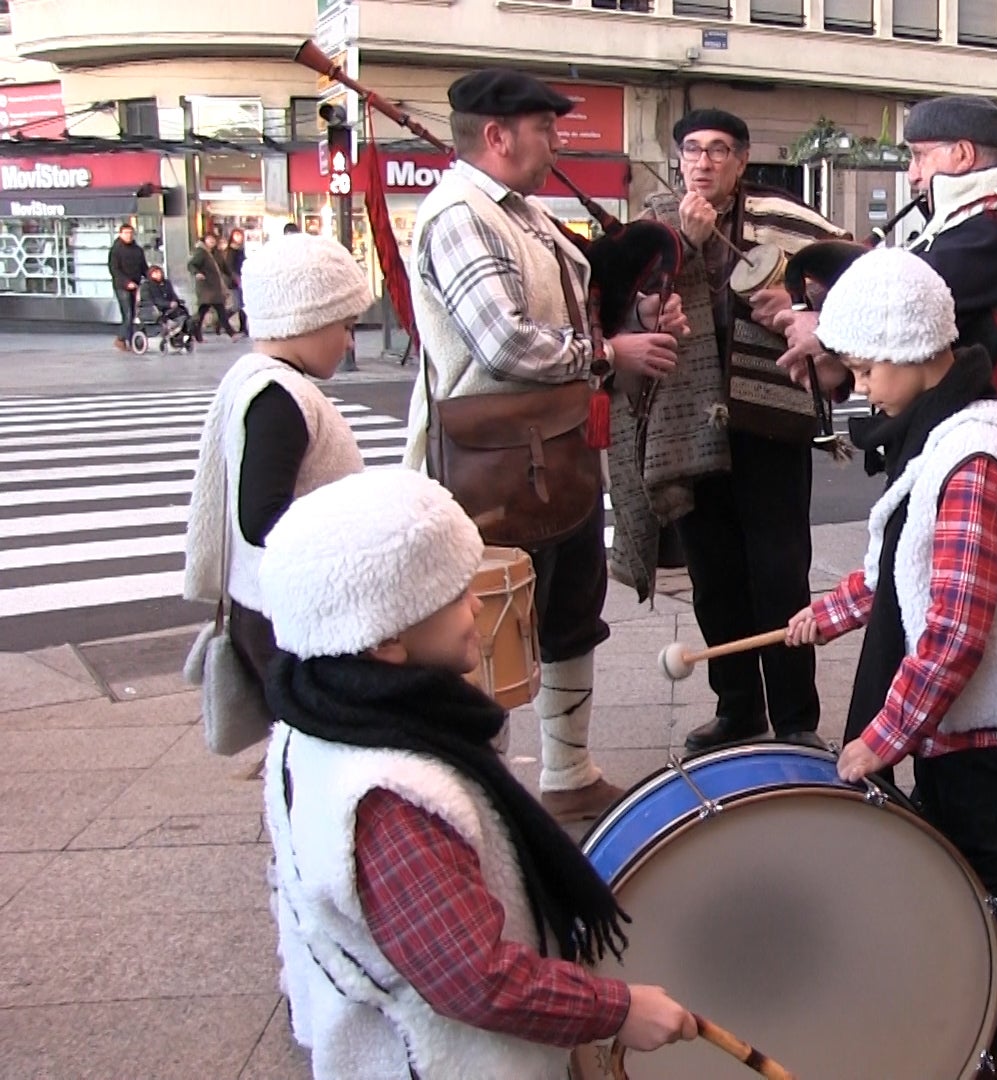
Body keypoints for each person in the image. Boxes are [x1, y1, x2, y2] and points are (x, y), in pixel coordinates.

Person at [256, 469, 698, 1078]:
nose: (477, 605)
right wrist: (619, 1010)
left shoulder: (316, 720)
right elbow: (475, 978)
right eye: (455, 594)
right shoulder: (389, 794)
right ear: (385, 640)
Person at [786, 249, 997, 1080]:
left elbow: (954, 629)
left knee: (979, 867)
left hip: (968, 723)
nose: (861, 386)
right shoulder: (940, 434)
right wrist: (829, 615)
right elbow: (907, 561)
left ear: (914, 352)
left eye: (867, 368)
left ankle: (990, 1026)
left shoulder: (973, 458)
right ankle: (956, 995)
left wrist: (885, 736)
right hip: (945, 718)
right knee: (945, 859)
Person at [404, 68, 679, 821]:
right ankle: (478, 795)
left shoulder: (517, 213)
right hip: (492, 463)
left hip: (549, 449)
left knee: (567, 615)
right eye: (544, 128)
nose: (557, 141)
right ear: (496, 136)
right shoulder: (461, 215)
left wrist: (635, 323)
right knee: (483, 629)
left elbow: (563, 316)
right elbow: (503, 344)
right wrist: (608, 355)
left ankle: (567, 772)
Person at [640, 108, 848, 755]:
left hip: (769, 423)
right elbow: (629, 301)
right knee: (714, 576)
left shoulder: (783, 216)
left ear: (742, 159)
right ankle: (736, 707)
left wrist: (802, 306)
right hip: (691, 425)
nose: (704, 163)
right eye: (693, 151)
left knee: (781, 574)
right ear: (678, 161)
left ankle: (794, 717)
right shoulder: (656, 223)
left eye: (719, 151)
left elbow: (860, 275)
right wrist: (672, 264)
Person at [760, 94, 997, 422]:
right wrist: (843, 367)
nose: (912, 174)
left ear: (963, 154)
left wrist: (824, 328)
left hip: (986, 442)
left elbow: (900, 303)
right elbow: (917, 342)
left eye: (919, 156)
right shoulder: (967, 224)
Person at [182, 235, 374, 713]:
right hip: (289, 617)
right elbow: (262, 517)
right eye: (345, 326)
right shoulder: (278, 394)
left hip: (269, 609)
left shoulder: (259, 380)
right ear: (308, 316)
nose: (349, 342)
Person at [188, 231, 237, 342]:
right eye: (209, 239)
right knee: (210, 311)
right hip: (206, 287)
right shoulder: (201, 253)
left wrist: (233, 277)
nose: (212, 241)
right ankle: (231, 333)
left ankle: (196, 333)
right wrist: (197, 273)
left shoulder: (216, 253)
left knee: (213, 311)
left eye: (214, 239)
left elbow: (224, 267)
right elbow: (191, 264)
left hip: (215, 287)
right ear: (204, 240)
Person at [107, 224, 148, 352]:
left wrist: (152, 277)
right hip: (122, 286)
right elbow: (114, 270)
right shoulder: (116, 250)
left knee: (134, 314)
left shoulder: (137, 250)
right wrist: (126, 282)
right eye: (125, 233)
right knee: (128, 313)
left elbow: (143, 267)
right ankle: (121, 338)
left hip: (135, 285)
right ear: (120, 234)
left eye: (130, 232)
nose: (128, 235)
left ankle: (130, 341)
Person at [138, 264, 192, 347]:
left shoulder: (167, 283)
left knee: (184, 314)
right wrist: (168, 304)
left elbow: (173, 295)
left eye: (159, 272)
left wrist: (175, 301)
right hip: (154, 309)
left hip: (169, 308)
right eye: (155, 273)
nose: (158, 275)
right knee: (162, 315)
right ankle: (171, 329)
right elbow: (150, 300)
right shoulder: (147, 285)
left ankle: (183, 334)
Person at [224, 227, 251, 337]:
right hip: (235, 281)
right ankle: (223, 320)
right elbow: (230, 267)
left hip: (242, 279)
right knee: (237, 305)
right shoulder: (231, 250)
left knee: (242, 304)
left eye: (240, 235)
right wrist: (236, 278)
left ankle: (243, 328)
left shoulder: (240, 249)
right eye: (236, 235)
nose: (238, 238)